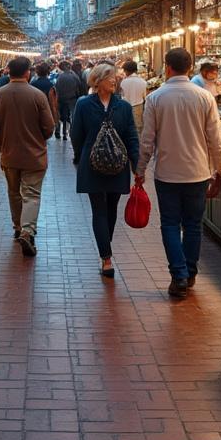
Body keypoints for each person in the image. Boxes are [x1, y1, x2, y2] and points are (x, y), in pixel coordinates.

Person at [137, 47, 221, 298]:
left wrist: (140, 169)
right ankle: (191, 272)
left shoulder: (156, 98)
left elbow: (147, 140)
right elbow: (215, 140)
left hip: (167, 173)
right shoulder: (204, 97)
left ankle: (179, 275)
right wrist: (219, 170)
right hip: (198, 172)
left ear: (167, 67)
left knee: (170, 224)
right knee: (194, 225)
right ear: (190, 68)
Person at [70, 62, 139, 278]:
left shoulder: (124, 107)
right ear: (98, 81)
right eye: (110, 77)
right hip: (92, 165)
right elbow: (76, 134)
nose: (115, 80)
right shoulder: (84, 104)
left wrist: (137, 166)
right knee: (99, 209)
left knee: (111, 209)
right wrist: (83, 156)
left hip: (118, 165)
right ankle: (106, 257)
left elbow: (131, 137)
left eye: (115, 77)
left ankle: (104, 245)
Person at [0, 56, 55, 255]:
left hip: (9, 154)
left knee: (14, 193)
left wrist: (2, 137)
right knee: (31, 194)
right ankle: (27, 230)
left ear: (8, 72)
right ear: (27, 73)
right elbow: (49, 126)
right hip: (34, 155)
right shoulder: (37, 95)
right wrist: (39, 139)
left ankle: (17, 227)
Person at [53, 61, 81, 140]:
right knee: (71, 117)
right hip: (72, 100)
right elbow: (79, 85)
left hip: (61, 100)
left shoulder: (60, 76)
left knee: (60, 117)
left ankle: (58, 131)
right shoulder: (74, 76)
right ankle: (69, 133)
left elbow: (56, 88)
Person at [119, 59, 148, 131]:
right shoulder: (143, 82)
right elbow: (145, 97)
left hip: (126, 107)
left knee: (128, 128)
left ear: (127, 71)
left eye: (125, 71)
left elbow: (122, 96)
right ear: (135, 70)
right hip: (139, 107)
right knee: (139, 128)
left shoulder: (123, 82)